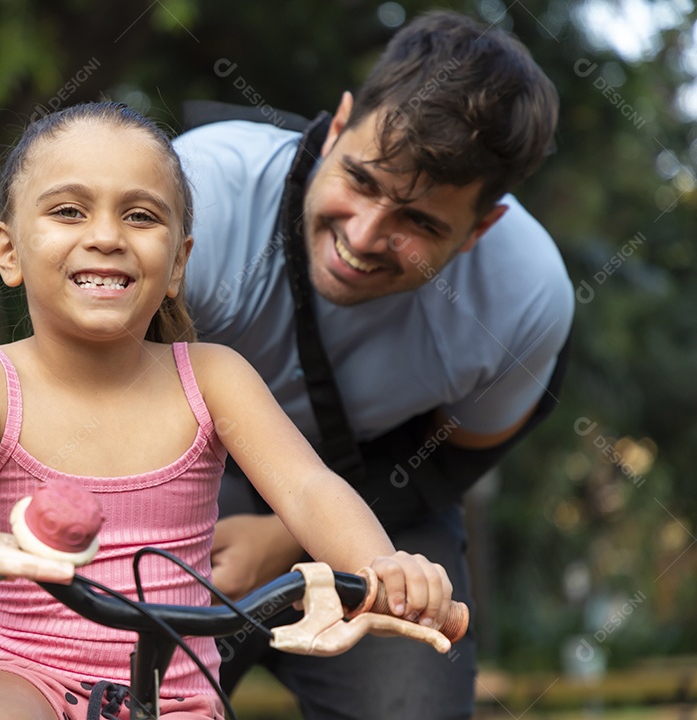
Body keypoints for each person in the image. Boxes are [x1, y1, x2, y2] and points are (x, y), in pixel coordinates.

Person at [0, 101, 457, 720]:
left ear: (177, 263)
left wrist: (383, 567)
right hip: (18, 670)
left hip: (175, 693)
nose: (107, 236)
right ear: (9, 252)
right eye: (68, 211)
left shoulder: (212, 377)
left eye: (140, 216)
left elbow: (309, 490)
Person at [172, 10, 574, 720]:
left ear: (483, 226)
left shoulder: (525, 299)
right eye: (359, 180)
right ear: (338, 126)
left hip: (383, 491)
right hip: (187, 462)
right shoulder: (202, 191)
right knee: (117, 684)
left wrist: (286, 539)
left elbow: (452, 459)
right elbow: (87, 394)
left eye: (418, 223)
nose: (362, 238)